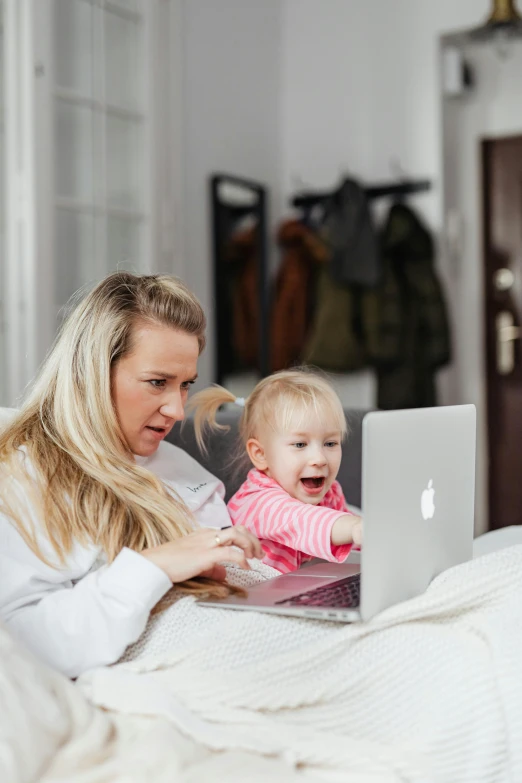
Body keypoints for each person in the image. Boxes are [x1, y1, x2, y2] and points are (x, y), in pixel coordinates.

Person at [0, 272, 263, 678]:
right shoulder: (24, 475)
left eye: (185, 385)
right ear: (92, 373)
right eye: (157, 382)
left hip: (246, 636)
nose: (177, 410)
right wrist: (153, 567)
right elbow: (21, 643)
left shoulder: (177, 464)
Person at [188, 369, 362, 573]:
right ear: (260, 454)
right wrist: (355, 527)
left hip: (308, 588)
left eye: (330, 443)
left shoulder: (330, 493)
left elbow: (355, 544)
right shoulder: (257, 501)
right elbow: (301, 521)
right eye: (299, 445)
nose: (319, 459)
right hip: (258, 593)